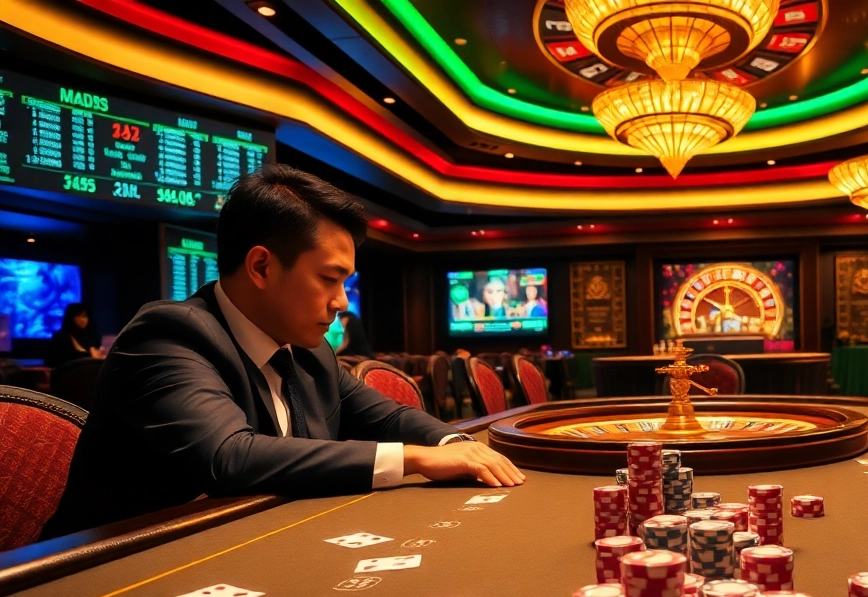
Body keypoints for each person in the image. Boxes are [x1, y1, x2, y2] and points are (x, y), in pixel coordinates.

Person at [44, 165, 524, 539]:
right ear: (260, 266)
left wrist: (454, 445)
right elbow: (228, 457)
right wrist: (416, 460)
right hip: (106, 572)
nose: (340, 302)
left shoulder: (310, 352)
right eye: (329, 279)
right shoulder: (168, 337)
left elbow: (389, 418)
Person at [46, 302, 104, 368]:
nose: (82, 319)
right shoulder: (61, 337)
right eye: (78, 316)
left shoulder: (91, 337)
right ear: (71, 317)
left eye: (85, 316)